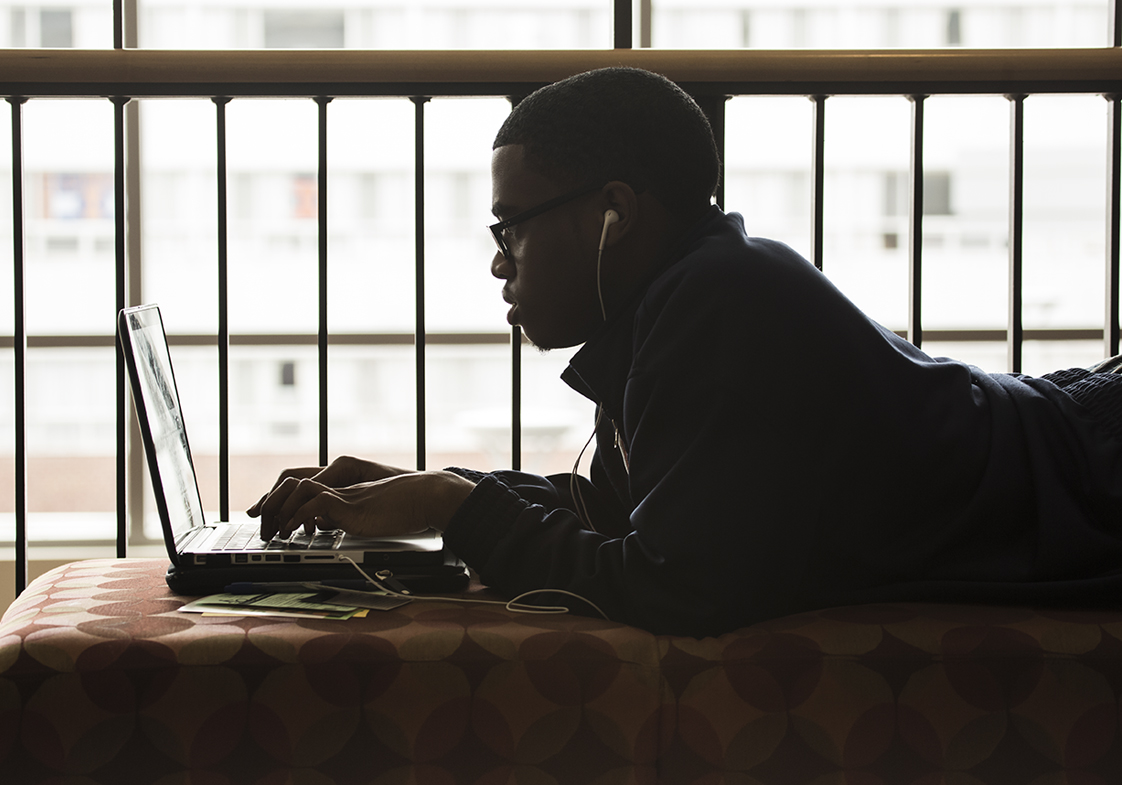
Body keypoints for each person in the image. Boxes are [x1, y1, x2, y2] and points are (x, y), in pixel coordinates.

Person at [248, 67, 1122, 639]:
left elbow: (675, 582)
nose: (498, 259)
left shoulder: (720, 303)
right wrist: (449, 492)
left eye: (512, 225)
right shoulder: (678, 299)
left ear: (613, 213)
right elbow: (644, 514)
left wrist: (463, 510)